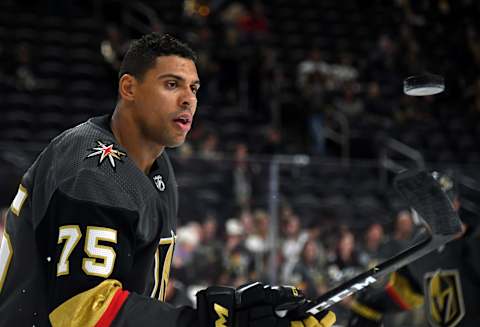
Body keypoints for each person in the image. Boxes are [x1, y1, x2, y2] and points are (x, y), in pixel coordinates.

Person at [0, 33, 336, 327]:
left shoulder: (158, 165)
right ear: (129, 88)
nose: (188, 98)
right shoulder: (91, 168)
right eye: (171, 84)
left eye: (194, 88)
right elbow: (81, 312)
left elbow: (132, 302)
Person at [348, 172, 480, 327]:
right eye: (425, 203)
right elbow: (403, 293)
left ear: (456, 204)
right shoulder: (419, 249)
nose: (432, 209)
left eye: (440, 201)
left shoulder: (475, 243)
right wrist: (367, 308)